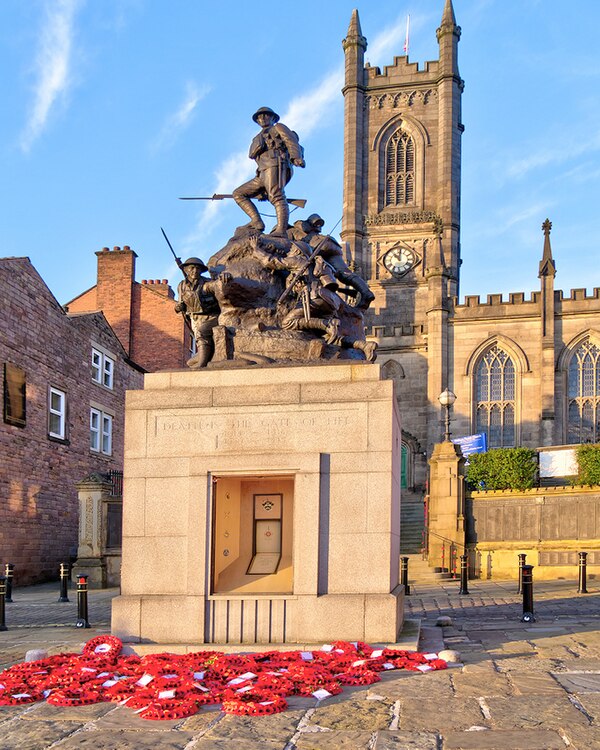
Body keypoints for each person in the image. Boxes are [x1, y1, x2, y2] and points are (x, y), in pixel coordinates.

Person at [233, 107, 305, 236]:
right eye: (259, 117)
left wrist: (296, 157)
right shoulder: (257, 137)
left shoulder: (278, 128)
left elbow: (290, 140)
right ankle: (256, 221)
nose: (262, 119)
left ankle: (281, 230)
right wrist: (262, 189)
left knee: (276, 196)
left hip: (275, 164)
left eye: (265, 116)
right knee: (239, 193)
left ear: (272, 117)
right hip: (262, 171)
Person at [289, 213, 375, 310]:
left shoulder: (293, 230)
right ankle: (366, 292)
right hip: (331, 243)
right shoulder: (311, 231)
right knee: (345, 273)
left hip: (317, 245)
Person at [174, 258, 222, 368]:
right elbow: (179, 305)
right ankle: (209, 360)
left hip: (212, 317)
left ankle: (202, 364)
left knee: (202, 332)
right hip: (195, 319)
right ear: (186, 270)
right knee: (190, 362)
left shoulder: (208, 283)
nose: (195, 270)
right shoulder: (181, 285)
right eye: (192, 268)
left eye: (197, 268)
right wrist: (178, 307)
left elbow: (220, 291)